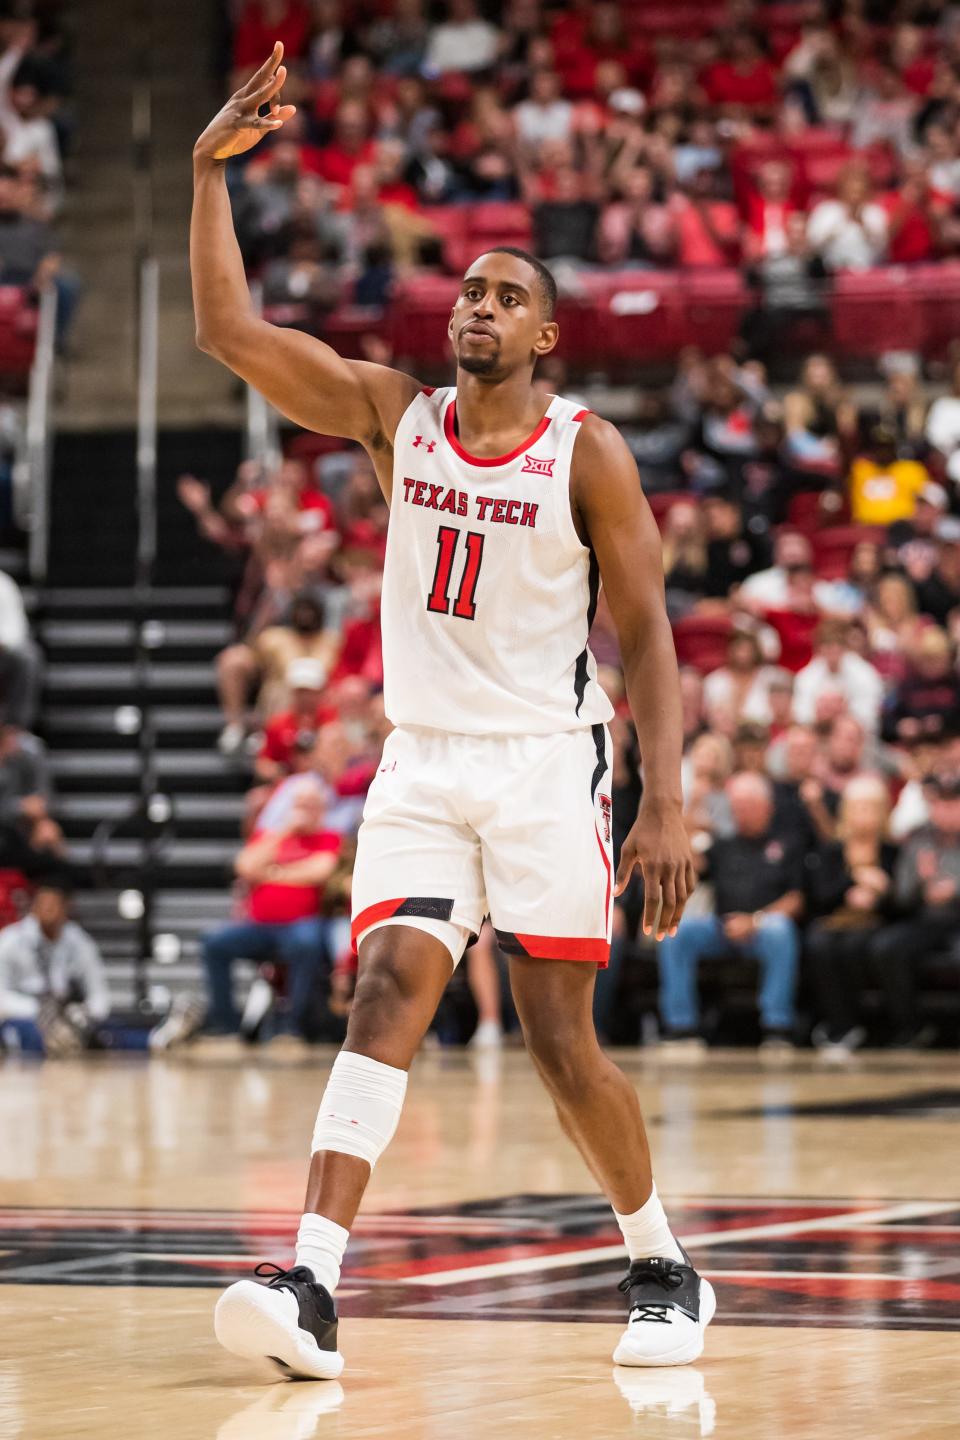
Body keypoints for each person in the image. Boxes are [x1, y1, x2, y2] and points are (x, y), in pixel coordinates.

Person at [192, 46, 707, 1381]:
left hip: (548, 766)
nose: (478, 303)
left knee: (558, 1041)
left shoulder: (586, 449)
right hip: (422, 765)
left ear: (546, 336)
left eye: (509, 295)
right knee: (384, 994)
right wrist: (206, 177)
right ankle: (311, 1281)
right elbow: (230, 339)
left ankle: (658, 1257)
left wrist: (668, 792)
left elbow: (648, 631)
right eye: (470, 288)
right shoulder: (391, 417)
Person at [657, 772, 803, 1051]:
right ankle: (681, 1026)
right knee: (678, 932)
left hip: (763, 928)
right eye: (737, 807)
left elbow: (796, 899)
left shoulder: (788, 844)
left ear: (767, 807)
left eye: (748, 806)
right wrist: (693, 808)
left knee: (780, 930)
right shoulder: (723, 845)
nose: (742, 813)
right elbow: (690, 865)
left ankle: (777, 1027)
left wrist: (755, 921)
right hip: (721, 928)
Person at [200, 784, 341, 1038]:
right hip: (259, 926)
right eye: (300, 805)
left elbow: (320, 872)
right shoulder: (270, 836)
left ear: (322, 811)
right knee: (213, 942)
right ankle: (225, 1025)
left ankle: (292, 1027)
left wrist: (270, 873)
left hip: (302, 924)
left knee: (307, 943)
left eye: (312, 807)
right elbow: (244, 866)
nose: (305, 812)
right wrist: (285, 830)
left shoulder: (329, 838)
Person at [806, 775, 898, 1056]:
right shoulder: (834, 850)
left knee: (854, 947)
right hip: (836, 919)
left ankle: (861, 1023)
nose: (864, 814)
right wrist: (852, 886)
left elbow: (903, 903)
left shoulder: (891, 851)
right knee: (818, 944)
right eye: (858, 807)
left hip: (876, 922)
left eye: (870, 807)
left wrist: (880, 894)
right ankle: (837, 1023)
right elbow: (820, 896)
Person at [867, 772, 960, 1046]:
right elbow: (901, 898)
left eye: (953, 803)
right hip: (928, 919)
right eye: (939, 804)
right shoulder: (918, 838)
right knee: (886, 947)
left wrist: (955, 891)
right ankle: (911, 1026)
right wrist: (920, 884)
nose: (946, 811)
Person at [0, 883, 110, 1055]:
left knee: (108, 1036)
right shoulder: (10, 941)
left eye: (54, 906)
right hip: (24, 1016)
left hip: (66, 1015)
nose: (48, 911)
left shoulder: (80, 942)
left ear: (66, 909)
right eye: (44, 905)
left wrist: (81, 1014)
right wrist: (38, 1010)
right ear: (33, 908)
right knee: (27, 1036)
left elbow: (100, 996)